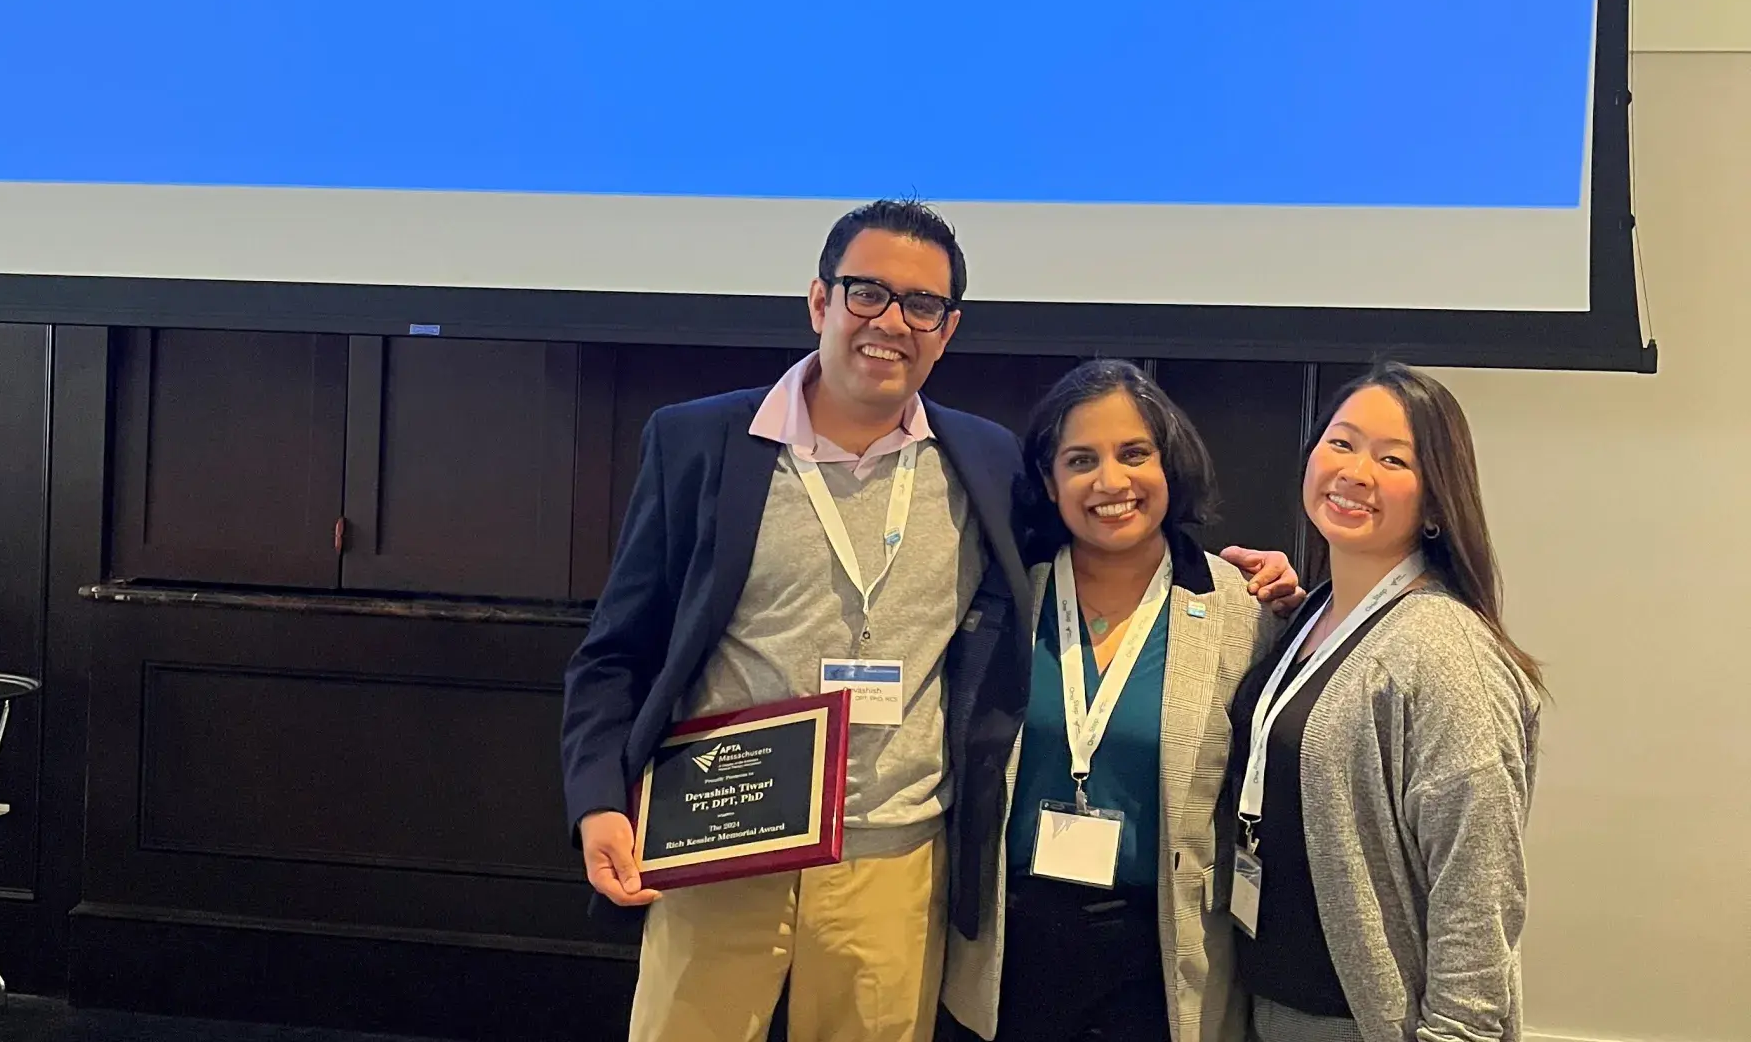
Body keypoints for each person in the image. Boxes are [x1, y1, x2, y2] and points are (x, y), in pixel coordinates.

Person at [558, 200, 1299, 1042]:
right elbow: (615, 652)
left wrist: (1251, 578)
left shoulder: (981, 462)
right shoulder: (697, 444)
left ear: (947, 330)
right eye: (867, 294)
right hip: (722, 844)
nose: (892, 323)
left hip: (896, 862)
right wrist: (597, 803)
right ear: (819, 302)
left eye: (922, 306)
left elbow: (1110, 534)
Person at [943, 360, 1296, 1042]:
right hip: (1009, 952)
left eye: (1134, 454)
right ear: (1048, 482)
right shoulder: (1005, 598)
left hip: (1161, 958)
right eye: (1081, 460)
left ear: (1171, 464)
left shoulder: (1240, 611)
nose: (1111, 482)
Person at [1224, 363, 1543, 1042]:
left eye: (1392, 459)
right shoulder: (1311, 614)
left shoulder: (1445, 651)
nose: (1356, 471)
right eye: (1341, 443)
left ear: (1434, 502)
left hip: (1365, 1022)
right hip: (1268, 1004)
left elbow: (1477, 895)